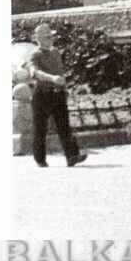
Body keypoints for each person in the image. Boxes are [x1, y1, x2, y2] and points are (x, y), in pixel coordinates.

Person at [28, 23, 87, 168]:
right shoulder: (35, 54)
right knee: (40, 128)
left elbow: (60, 73)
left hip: (58, 93)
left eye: (51, 36)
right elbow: (35, 72)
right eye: (47, 37)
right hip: (42, 94)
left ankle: (72, 156)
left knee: (64, 126)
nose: (51, 39)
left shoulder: (55, 52)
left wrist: (64, 87)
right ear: (39, 39)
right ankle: (40, 159)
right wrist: (52, 78)